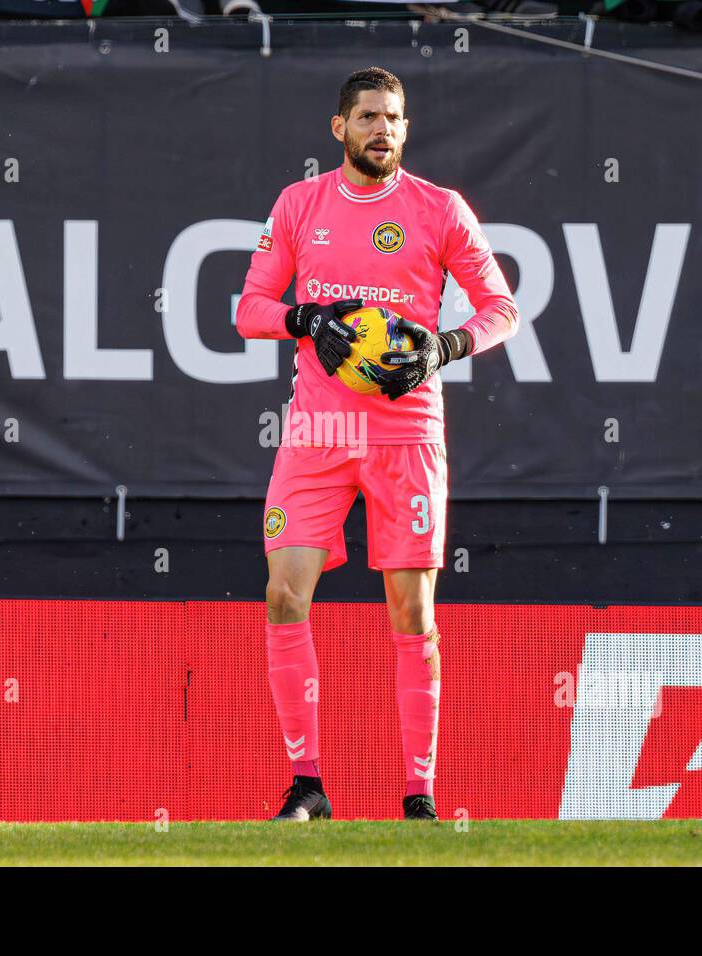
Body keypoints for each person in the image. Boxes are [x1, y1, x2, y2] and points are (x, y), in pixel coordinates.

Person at [236, 66, 520, 821]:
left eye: (393, 118)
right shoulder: (301, 204)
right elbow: (251, 308)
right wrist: (306, 321)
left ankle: (419, 795)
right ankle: (307, 786)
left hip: (406, 430)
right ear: (339, 129)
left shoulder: (440, 209)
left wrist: (443, 347)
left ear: (406, 127)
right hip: (318, 430)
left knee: (411, 612)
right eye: (366, 117)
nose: (381, 130)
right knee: (283, 594)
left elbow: (502, 309)